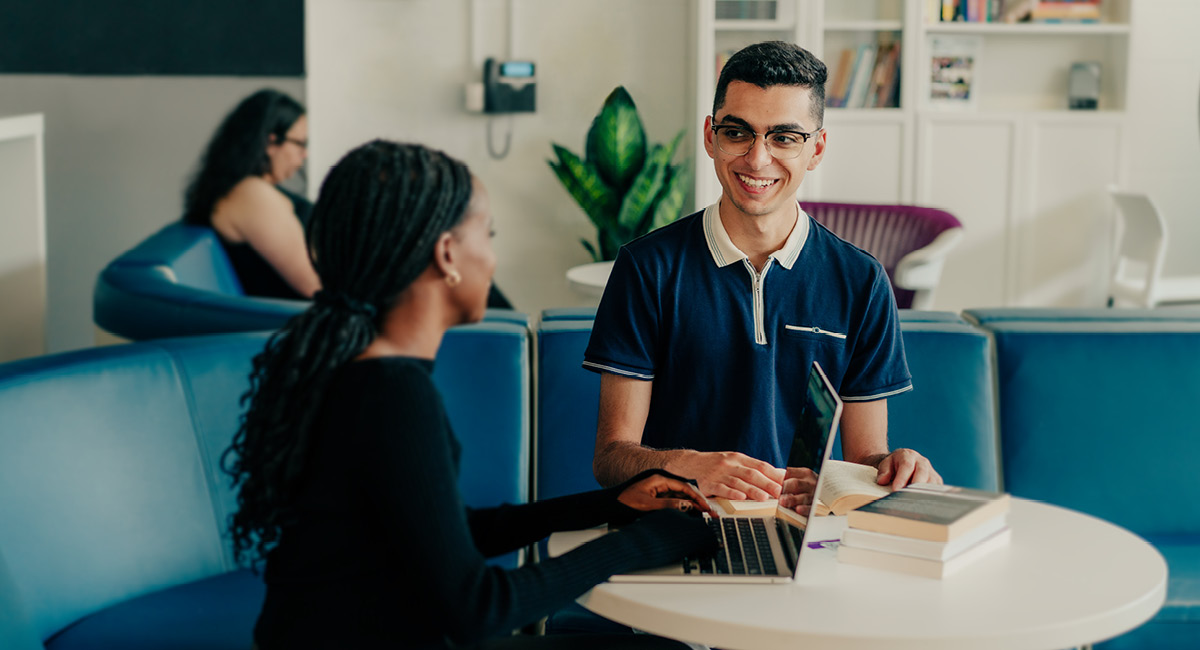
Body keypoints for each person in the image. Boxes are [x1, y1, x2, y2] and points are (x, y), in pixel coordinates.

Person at [222, 140, 715, 649]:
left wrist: (612, 504)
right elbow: (478, 609)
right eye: (489, 235)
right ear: (447, 254)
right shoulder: (392, 394)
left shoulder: (358, 368)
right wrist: (647, 543)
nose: (494, 257)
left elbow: (449, 532)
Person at [584, 41, 942, 513]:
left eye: (784, 138)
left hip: (798, 533)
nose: (757, 159)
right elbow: (611, 458)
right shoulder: (645, 269)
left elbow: (863, 459)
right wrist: (690, 465)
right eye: (738, 133)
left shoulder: (861, 281)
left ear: (816, 149)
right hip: (674, 530)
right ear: (711, 136)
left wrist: (896, 467)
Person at [183, 88, 321, 300]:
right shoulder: (251, 194)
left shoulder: (248, 190)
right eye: (300, 144)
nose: (305, 154)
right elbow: (314, 284)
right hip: (288, 320)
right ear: (270, 143)